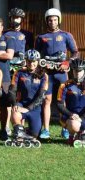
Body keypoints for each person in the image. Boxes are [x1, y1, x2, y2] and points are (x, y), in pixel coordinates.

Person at [35, 8, 79, 139]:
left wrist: (68, 62)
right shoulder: (41, 37)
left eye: (55, 20)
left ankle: (65, 128)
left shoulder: (66, 35)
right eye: (50, 20)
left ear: (58, 20)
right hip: (48, 74)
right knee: (47, 100)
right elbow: (36, 56)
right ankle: (46, 129)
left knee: (62, 100)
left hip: (61, 74)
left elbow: (75, 53)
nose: (52, 22)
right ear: (46, 21)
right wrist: (41, 65)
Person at [8, 49, 48, 138]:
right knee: (15, 111)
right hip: (21, 103)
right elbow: (12, 90)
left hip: (35, 107)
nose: (31, 63)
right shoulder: (18, 72)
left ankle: (26, 131)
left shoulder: (43, 75)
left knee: (35, 135)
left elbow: (41, 96)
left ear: (38, 62)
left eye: (34, 61)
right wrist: (14, 104)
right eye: (29, 61)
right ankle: (18, 131)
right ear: (25, 60)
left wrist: (28, 109)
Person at [57, 59, 85, 144]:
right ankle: (72, 136)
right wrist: (71, 114)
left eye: (80, 71)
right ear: (72, 71)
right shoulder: (64, 85)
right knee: (74, 124)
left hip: (83, 115)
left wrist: (82, 117)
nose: (78, 73)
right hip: (70, 116)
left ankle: (81, 134)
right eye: (75, 71)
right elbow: (59, 105)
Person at [4, 8, 34, 74]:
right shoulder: (4, 33)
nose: (15, 20)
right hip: (7, 64)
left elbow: (31, 50)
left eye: (17, 18)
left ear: (21, 19)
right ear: (10, 19)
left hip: (22, 64)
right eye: (13, 18)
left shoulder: (28, 34)